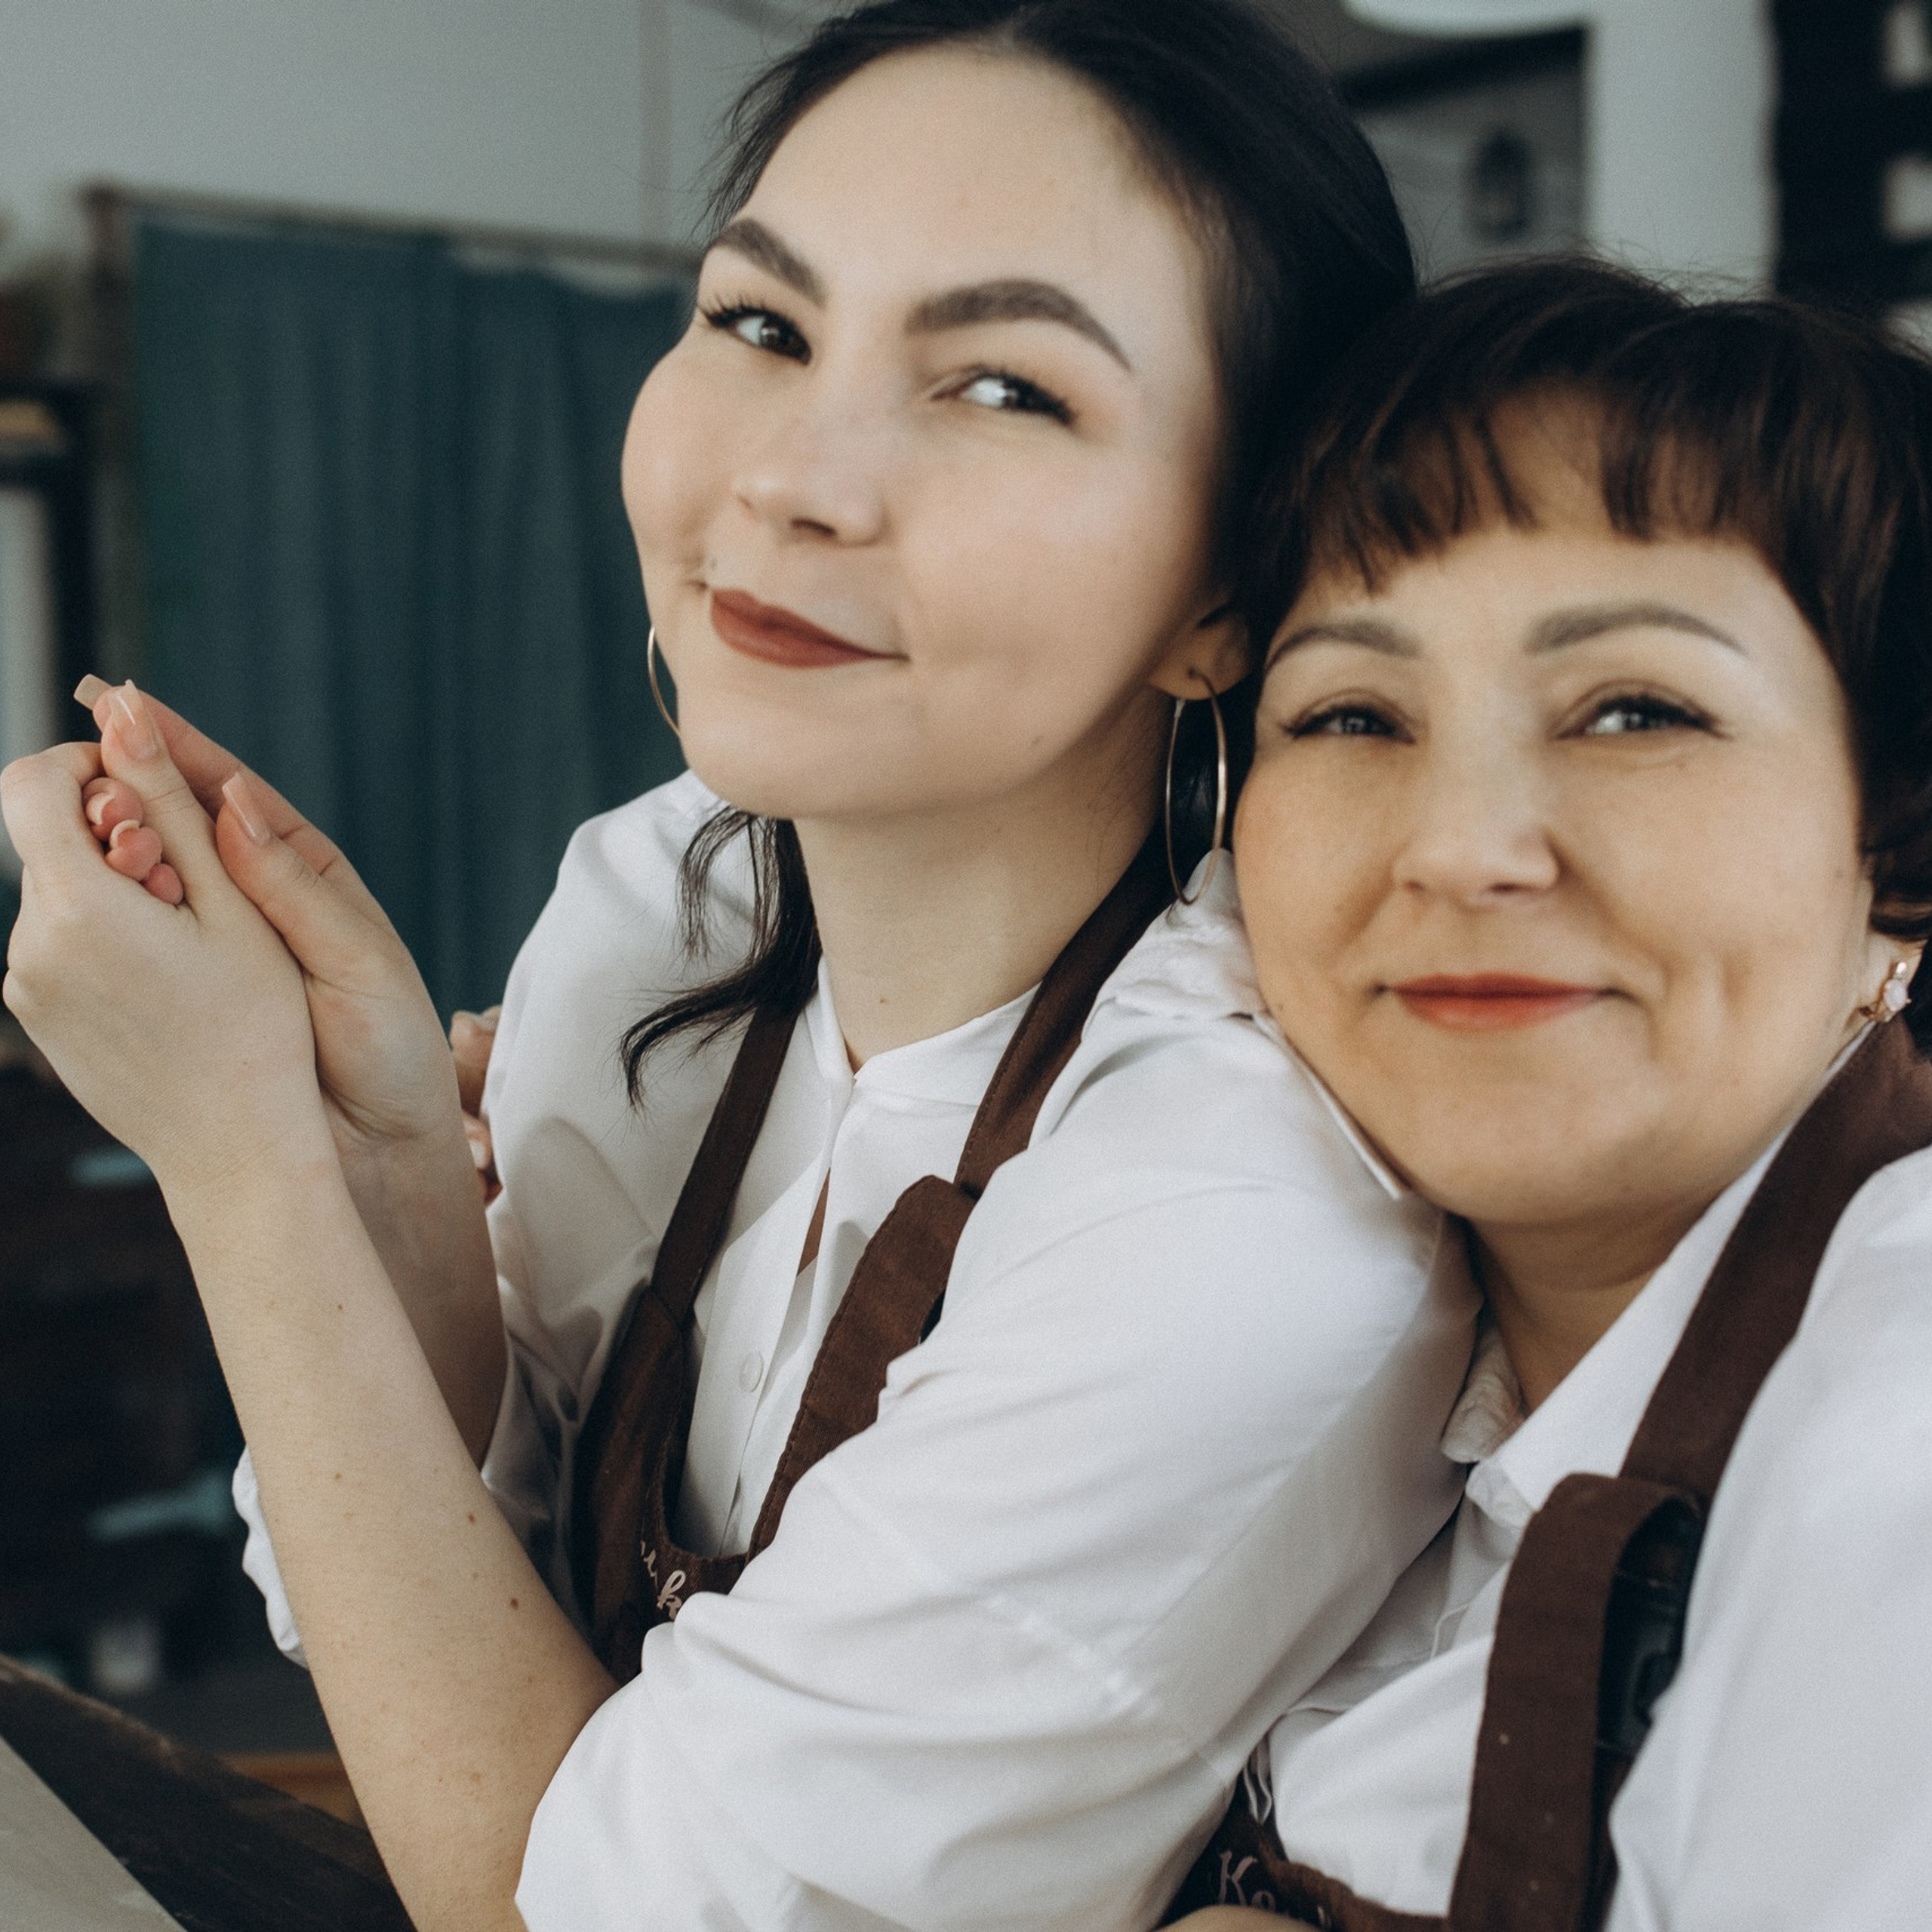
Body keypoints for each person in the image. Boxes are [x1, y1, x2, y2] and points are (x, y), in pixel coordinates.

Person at [2, 5, 1478, 1927]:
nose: (792, 480)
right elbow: (438, 1575)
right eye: (762, 325)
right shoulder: (663, 896)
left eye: (1005, 387)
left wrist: (236, 1168)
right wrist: (373, 1159)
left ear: (1224, 588)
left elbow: (566, 1906)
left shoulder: (1241, 1222)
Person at [1174, 259, 1932, 1930]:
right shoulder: (1278, 1314)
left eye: (1633, 708)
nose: (1456, 846)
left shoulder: (1901, 1418)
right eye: (1351, 712)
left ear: (1897, 853)